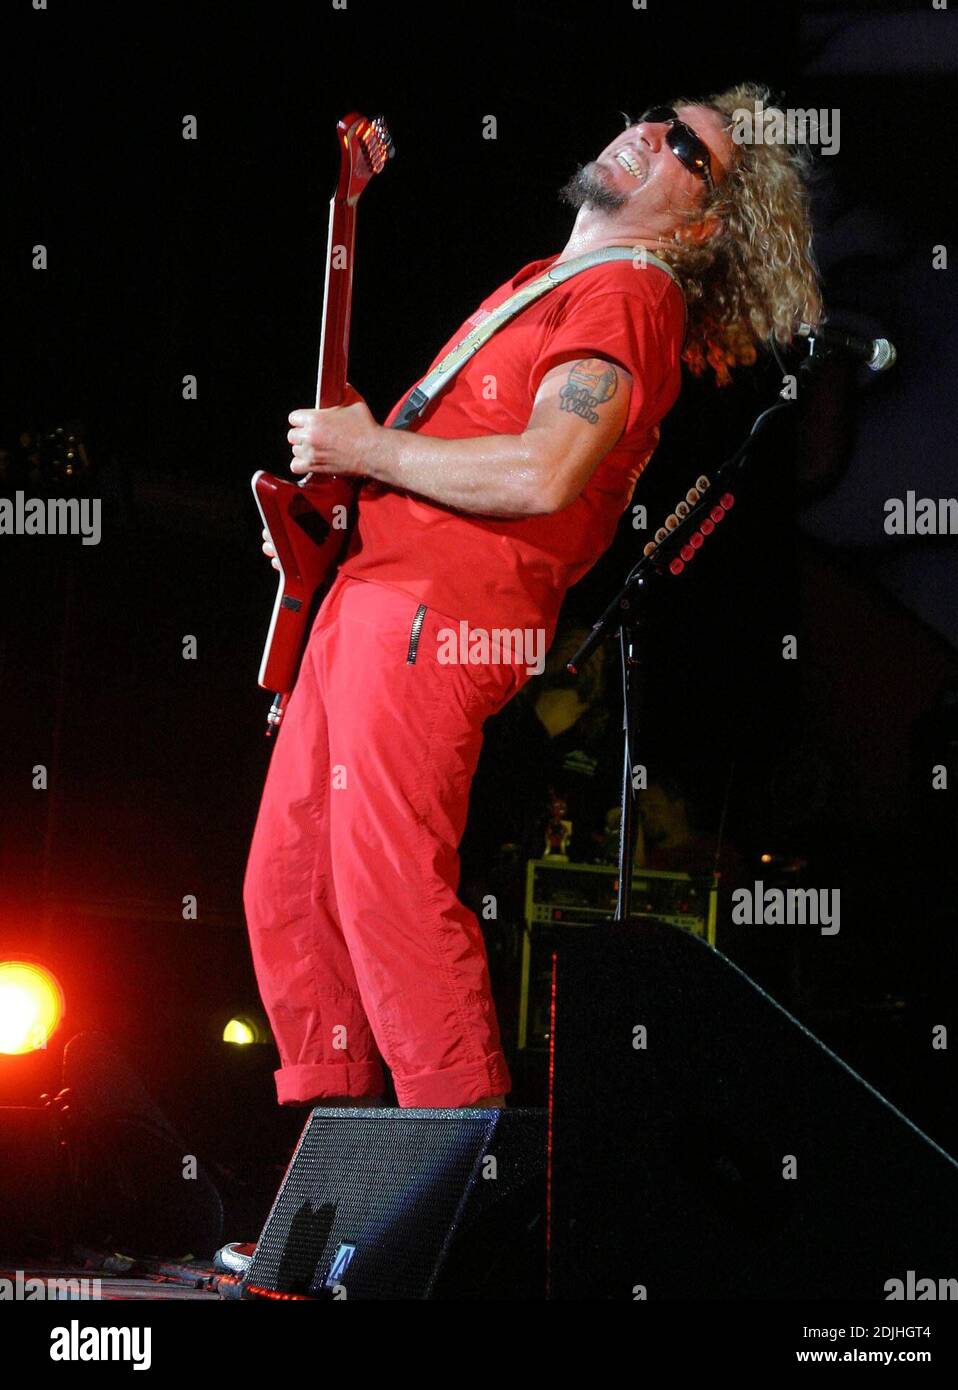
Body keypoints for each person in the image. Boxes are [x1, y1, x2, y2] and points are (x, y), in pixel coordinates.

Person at [242, 82, 823, 1115]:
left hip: (437, 610)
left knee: (385, 892)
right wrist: (336, 504)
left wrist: (365, 446)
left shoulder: (631, 294)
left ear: (701, 222)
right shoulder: (543, 280)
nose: (650, 129)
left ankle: (459, 1192)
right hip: (373, 592)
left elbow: (548, 471)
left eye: (688, 147)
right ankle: (335, 1195)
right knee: (292, 887)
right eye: (656, 113)